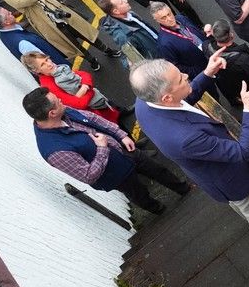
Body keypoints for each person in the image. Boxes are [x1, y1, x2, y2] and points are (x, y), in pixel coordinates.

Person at [131, 54, 249, 250]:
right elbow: (242, 152)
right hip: (232, 180)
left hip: (216, 172)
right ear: (166, 97)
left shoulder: (145, 102)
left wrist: (207, 73)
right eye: (181, 78)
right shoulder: (184, 139)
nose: (186, 75)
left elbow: (183, 100)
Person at [23, 87, 187, 214]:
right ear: (52, 113)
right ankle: (159, 210)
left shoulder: (63, 111)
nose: (61, 100)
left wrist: (121, 135)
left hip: (122, 150)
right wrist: (102, 148)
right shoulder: (54, 151)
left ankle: (184, 189)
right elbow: (88, 175)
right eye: (57, 101)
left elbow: (94, 119)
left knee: (157, 169)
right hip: (115, 174)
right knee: (139, 194)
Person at [0, 0, 117, 70]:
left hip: (63, 16)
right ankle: (92, 60)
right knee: (72, 45)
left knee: (86, 33)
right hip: (50, 26)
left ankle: (107, 50)